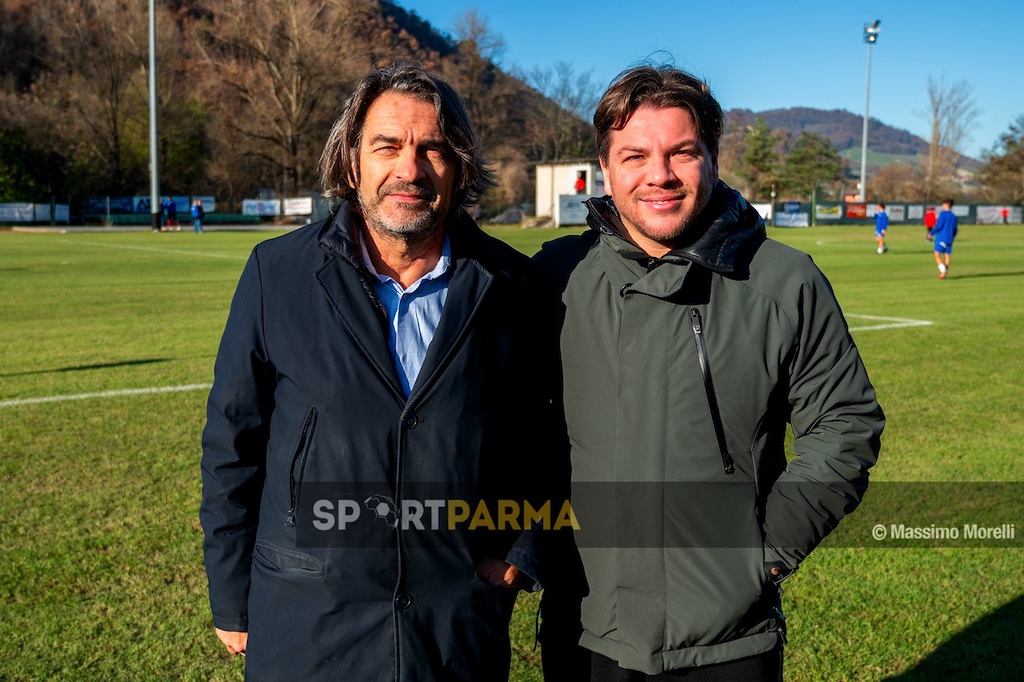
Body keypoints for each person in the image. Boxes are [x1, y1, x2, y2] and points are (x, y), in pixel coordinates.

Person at [200, 62, 565, 680]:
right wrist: (232, 596)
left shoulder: (512, 284)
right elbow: (232, 445)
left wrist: (520, 550)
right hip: (307, 621)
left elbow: (549, 433)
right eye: (387, 146)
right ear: (351, 163)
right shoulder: (276, 273)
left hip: (452, 629)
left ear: (460, 167)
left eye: (432, 148)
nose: (410, 168)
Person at [534, 65, 884, 681]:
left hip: (729, 643)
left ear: (713, 158)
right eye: (635, 154)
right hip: (586, 628)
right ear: (606, 167)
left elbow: (844, 423)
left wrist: (766, 553)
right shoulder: (556, 277)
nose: (659, 175)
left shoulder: (783, 281)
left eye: (682, 152)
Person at [931, 199, 958, 279]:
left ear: (946, 205)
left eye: (943, 204)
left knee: (936, 254)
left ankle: (943, 271)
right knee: (947, 255)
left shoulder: (943, 214)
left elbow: (939, 226)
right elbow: (955, 229)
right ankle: (944, 273)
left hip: (942, 237)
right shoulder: (954, 216)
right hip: (950, 238)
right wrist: (952, 236)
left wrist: (931, 233)